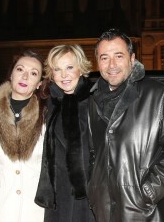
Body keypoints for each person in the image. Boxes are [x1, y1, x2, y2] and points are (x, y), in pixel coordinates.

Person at [87, 28, 164, 222]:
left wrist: (148, 191)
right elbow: (92, 154)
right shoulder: (92, 100)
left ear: (132, 59)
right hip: (103, 211)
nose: (111, 64)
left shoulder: (158, 95)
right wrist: (93, 189)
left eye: (118, 56)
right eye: (104, 57)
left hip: (142, 212)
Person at [0, 50, 47, 222]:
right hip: (0, 203)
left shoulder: (47, 113)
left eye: (33, 73)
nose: (25, 77)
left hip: (35, 206)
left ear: (39, 83)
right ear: (11, 74)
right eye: (20, 69)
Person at [35, 45, 95, 221]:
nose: (64, 75)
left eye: (69, 67)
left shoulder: (96, 101)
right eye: (57, 69)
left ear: (81, 69)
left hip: (89, 195)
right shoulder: (48, 103)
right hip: (58, 195)